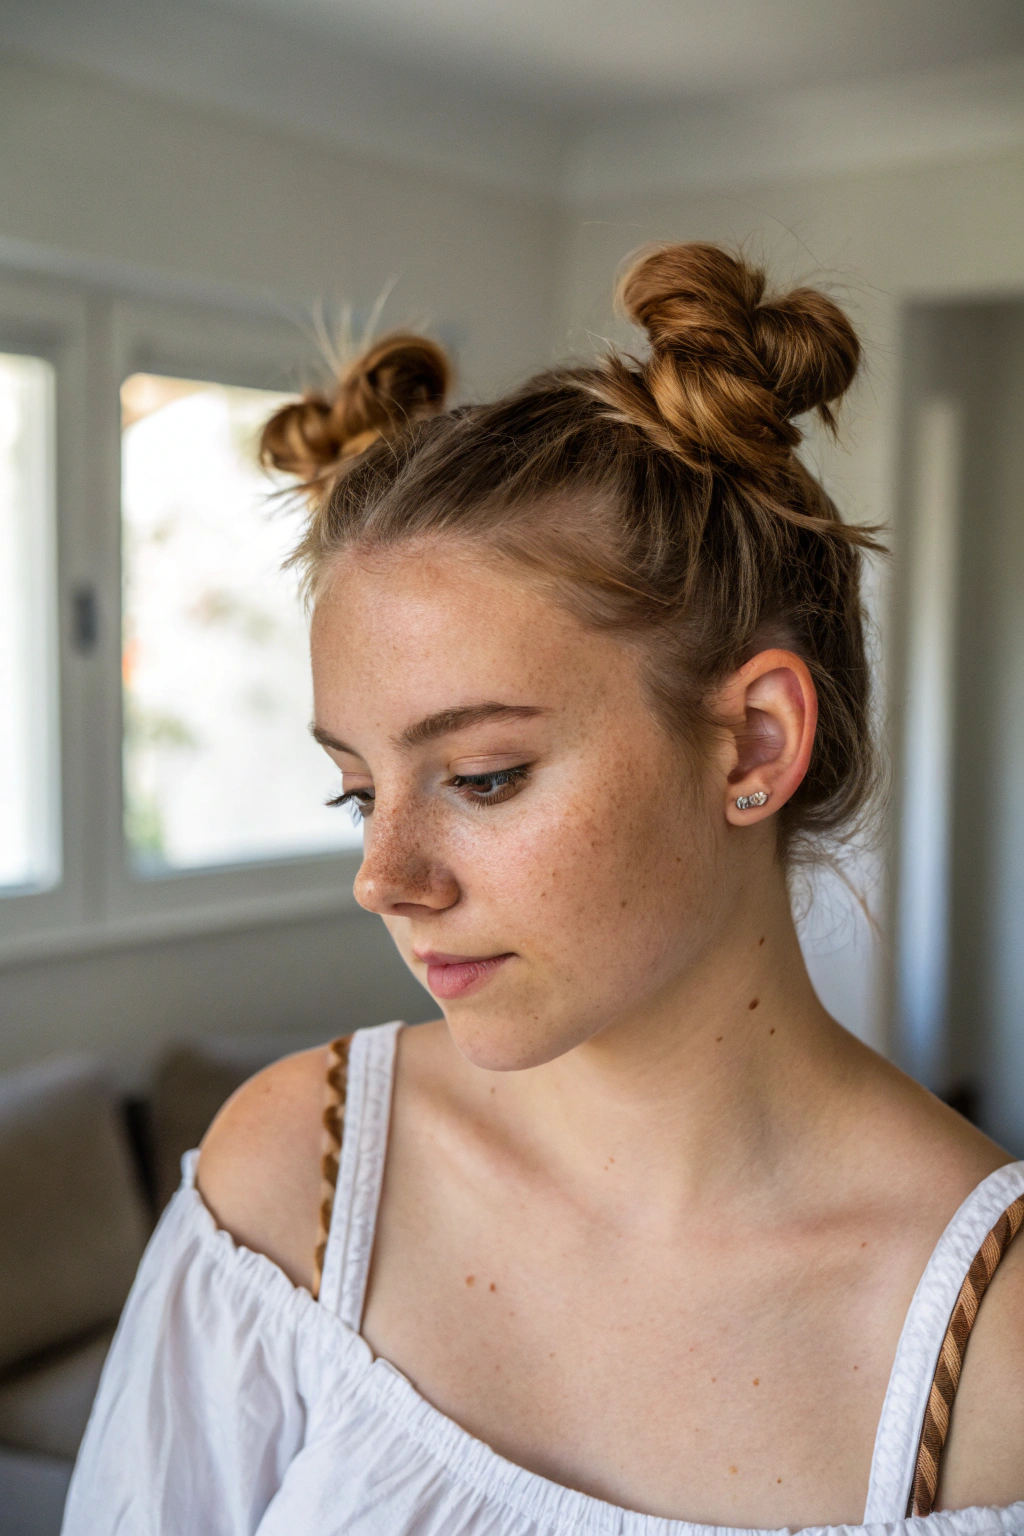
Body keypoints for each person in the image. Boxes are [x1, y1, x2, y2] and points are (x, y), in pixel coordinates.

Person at [64, 243, 1024, 1535]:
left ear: (753, 745)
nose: (383, 880)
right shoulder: (295, 1183)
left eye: (484, 778)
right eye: (357, 791)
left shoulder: (990, 1351)